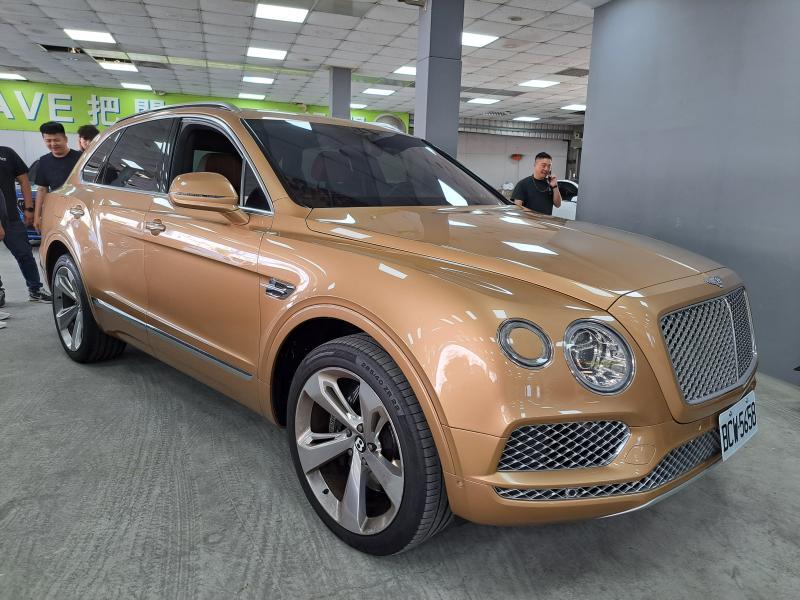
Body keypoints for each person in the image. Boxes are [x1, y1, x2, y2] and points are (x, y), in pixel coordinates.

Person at [0, 146, 51, 304]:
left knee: (25, 254)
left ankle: (35, 290)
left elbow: (23, 180)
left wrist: (29, 208)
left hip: (11, 217)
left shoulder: (7, 153)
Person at [33, 121, 82, 232]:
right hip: (57, 211)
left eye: (56, 140)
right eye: (48, 141)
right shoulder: (44, 161)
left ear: (65, 139)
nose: (53, 144)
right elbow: (42, 189)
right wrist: (37, 216)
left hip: (78, 210)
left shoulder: (81, 158)